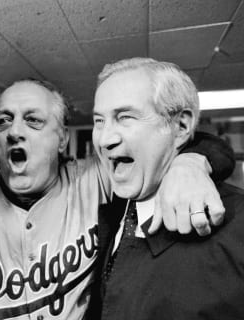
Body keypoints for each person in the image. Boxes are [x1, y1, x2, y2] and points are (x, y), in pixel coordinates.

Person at [0, 78, 234, 320]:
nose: (14, 131)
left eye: (33, 120)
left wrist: (192, 163)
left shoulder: (96, 178)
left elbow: (172, 145)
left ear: (62, 139)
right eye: (3, 121)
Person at [90, 57, 244, 320]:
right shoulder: (112, 207)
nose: (104, 139)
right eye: (99, 121)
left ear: (181, 126)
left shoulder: (238, 228)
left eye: (125, 117)